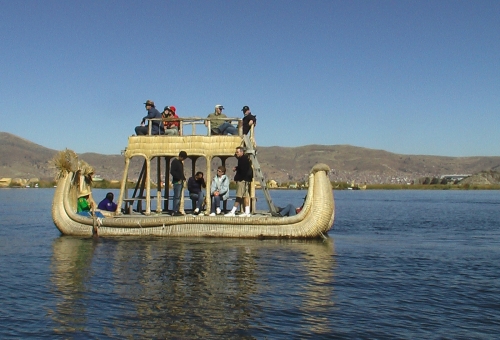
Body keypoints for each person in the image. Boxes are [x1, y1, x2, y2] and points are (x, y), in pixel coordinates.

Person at [225, 147, 253, 217]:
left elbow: (243, 171)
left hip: (242, 180)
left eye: (237, 152)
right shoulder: (245, 159)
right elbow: (243, 168)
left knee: (239, 196)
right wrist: (237, 168)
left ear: (241, 152)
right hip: (246, 180)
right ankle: (247, 212)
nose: (236, 153)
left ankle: (233, 212)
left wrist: (238, 178)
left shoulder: (242, 160)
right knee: (245, 196)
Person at [170, 151, 188, 216]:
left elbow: (181, 173)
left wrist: (183, 178)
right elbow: (172, 172)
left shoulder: (180, 163)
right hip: (177, 182)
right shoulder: (175, 162)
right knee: (176, 197)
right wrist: (178, 178)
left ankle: (177, 209)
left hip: (181, 181)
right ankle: (174, 211)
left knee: (179, 197)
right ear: (180, 156)